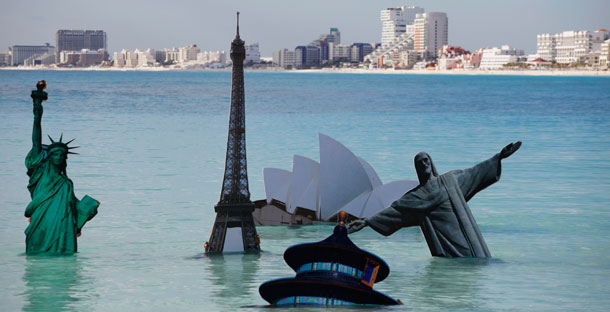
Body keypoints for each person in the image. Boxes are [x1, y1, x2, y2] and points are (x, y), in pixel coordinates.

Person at [348, 142, 521, 258]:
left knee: (477, 262)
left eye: (426, 161)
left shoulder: (451, 181)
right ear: (417, 168)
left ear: (431, 163)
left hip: (469, 237)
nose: (424, 165)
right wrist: (366, 222)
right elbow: (395, 211)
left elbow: (476, 172)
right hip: (447, 245)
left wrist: (499, 157)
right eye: (420, 163)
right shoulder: (415, 197)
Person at [24, 80, 99, 255]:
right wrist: (37, 110)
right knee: (36, 266)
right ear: (48, 157)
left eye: (62, 155)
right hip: (41, 223)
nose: (58, 157)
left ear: (65, 159)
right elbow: (36, 139)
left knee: (65, 266)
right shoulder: (39, 171)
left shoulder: (66, 183)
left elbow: (72, 205)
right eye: (55, 154)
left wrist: (87, 210)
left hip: (63, 229)